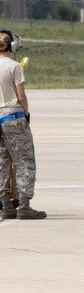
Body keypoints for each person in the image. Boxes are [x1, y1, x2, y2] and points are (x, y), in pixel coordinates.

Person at [0, 29, 44, 220]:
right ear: (12, 47)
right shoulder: (15, 66)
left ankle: (6, 205)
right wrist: (25, 114)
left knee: (3, 163)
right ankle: (24, 205)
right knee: (26, 161)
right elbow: (21, 96)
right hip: (14, 118)